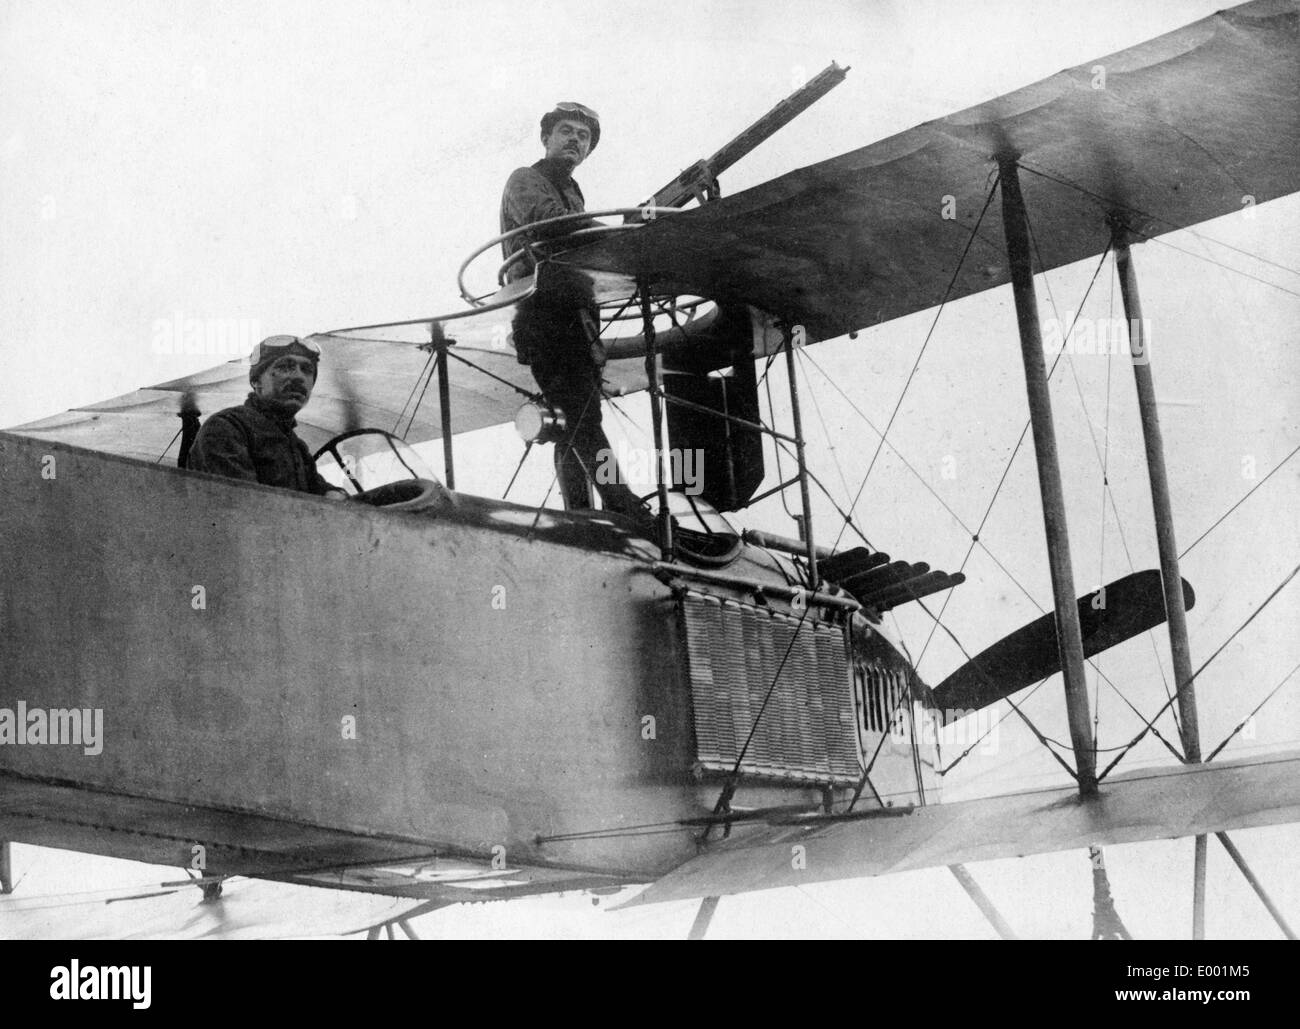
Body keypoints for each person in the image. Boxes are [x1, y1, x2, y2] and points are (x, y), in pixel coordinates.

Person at [500, 102, 640, 516]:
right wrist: (620, 235)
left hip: (574, 316)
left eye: (583, 137)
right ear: (546, 138)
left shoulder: (572, 192)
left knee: (570, 420)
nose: (575, 140)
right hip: (545, 314)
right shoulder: (526, 179)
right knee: (581, 414)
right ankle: (621, 503)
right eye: (566, 131)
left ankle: (580, 513)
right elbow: (547, 222)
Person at [187, 335, 347, 499]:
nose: (299, 377)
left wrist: (334, 492)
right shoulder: (227, 427)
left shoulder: (297, 446)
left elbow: (319, 487)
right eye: (285, 367)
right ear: (256, 381)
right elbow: (244, 506)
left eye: (307, 370)